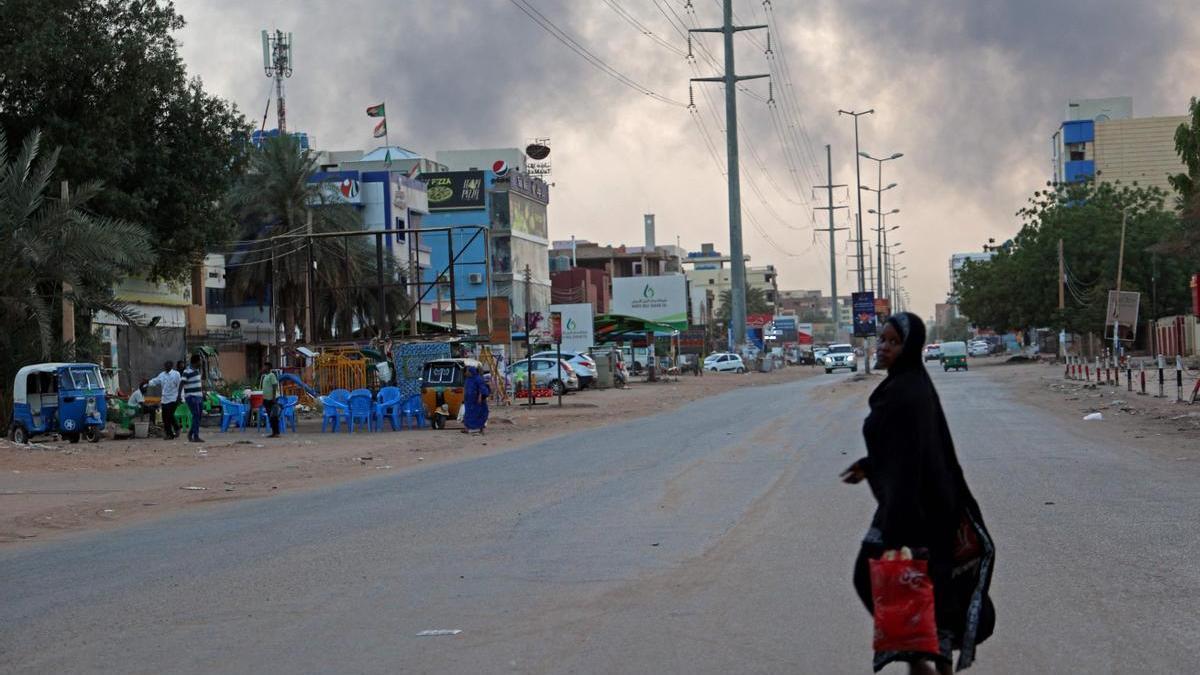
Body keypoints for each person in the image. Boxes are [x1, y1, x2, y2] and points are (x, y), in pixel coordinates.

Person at [841, 313, 996, 675]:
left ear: (908, 347)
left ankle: (921, 659)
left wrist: (898, 529)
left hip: (912, 511)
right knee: (928, 585)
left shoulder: (904, 393)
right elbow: (905, 450)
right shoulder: (911, 385)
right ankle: (929, 657)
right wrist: (871, 465)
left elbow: (909, 462)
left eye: (893, 342)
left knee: (870, 577)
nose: (883, 348)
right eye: (881, 340)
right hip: (929, 506)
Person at [149, 361, 181, 440]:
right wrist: (148, 382)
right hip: (164, 399)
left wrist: (180, 397)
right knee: (165, 417)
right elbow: (155, 381)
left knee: (169, 416)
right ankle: (171, 432)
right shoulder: (162, 375)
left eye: (168, 365)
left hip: (173, 398)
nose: (166, 367)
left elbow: (180, 386)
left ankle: (172, 432)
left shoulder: (176, 374)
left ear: (171, 366)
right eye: (165, 365)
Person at [180, 354, 205, 443]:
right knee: (196, 415)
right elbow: (181, 383)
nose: (201, 362)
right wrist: (179, 396)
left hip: (199, 396)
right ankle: (196, 436)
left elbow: (199, 383)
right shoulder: (187, 371)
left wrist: (203, 393)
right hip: (191, 396)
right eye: (200, 361)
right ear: (196, 362)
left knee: (198, 416)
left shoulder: (197, 370)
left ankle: (191, 433)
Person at [461, 365, 490, 434]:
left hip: (477, 401)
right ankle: (467, 428)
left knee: (480, 414)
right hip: (469, 401)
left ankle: (481, 429)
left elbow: (482, 388)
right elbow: (466, 389)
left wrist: (480, 397)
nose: (467, 372)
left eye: (468, 371)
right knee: (468, 415)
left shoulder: (478, 379)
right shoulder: (468, 379)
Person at [260, 361, 280, 438]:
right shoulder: (265, 376)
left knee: (273, 416)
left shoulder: (271, 375)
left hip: (272, 399)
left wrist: (274, 397)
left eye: (265, 367)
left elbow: (274, 385)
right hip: (266, 399)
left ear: (268, 367)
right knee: (270, 416)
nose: (263, 368)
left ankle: (276, 432)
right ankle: (274, 432)